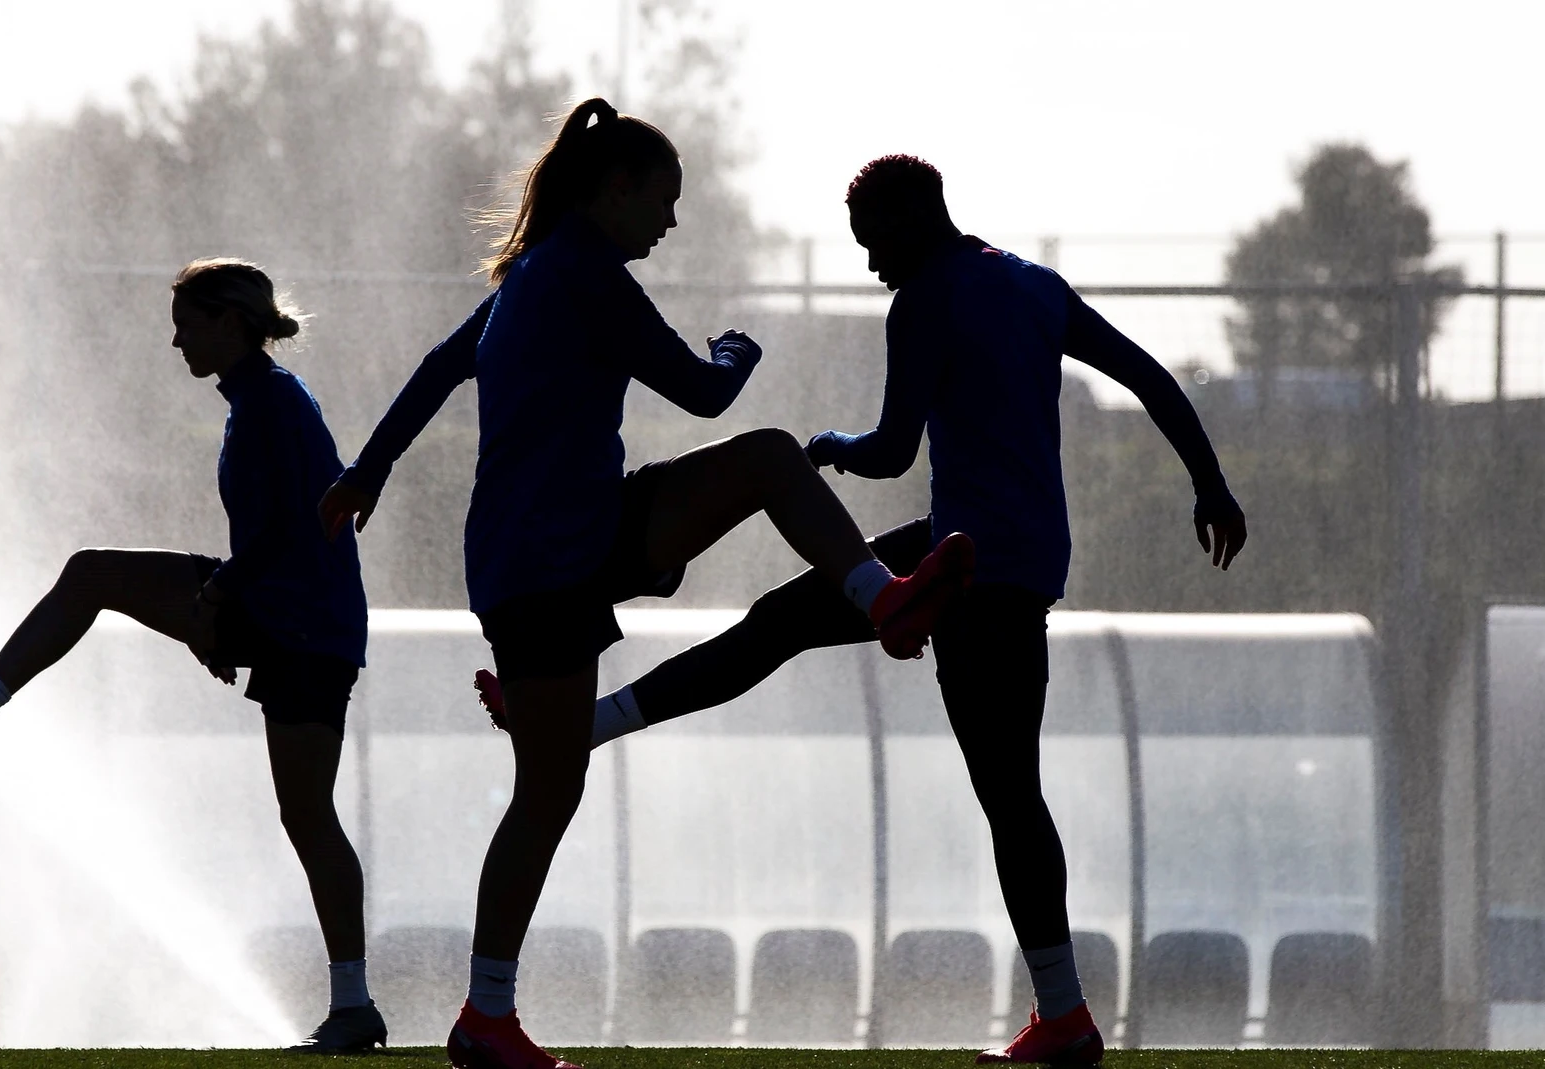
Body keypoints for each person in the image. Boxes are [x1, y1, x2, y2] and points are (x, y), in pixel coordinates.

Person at [473, 155, 1249, 1064]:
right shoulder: (1036, 286)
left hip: (969, 569)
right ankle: (614, 716)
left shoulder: (923, 298)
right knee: (797, 628)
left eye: (876, 243)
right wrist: (1211, 483)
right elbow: (1151, 377)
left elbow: (888, 449)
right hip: (1017, 555)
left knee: (999, 785)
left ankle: (1067, 1017)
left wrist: (829, 447)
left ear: (916, 220)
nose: (874, 264)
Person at [318, 102, 964, 1069]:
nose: (669, 222)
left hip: (567, 535)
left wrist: (369, 469)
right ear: (611, 189)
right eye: (662, 201)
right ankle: (485, 1015)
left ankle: (883, 598)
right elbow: (704, 388)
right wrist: (739, 348)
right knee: (548, 788)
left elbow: (435, 368)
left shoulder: (531, 273)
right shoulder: (583, 273)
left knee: (766, 462)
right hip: (549, 556)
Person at [0, 259, 389, 1054]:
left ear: (228, 322)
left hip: (306, 627)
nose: (175, 339)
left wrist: (214, 606)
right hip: (283, 613)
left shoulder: (272, 402)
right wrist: (219, 610)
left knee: (307, 814)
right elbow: (271, 536)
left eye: (187, 322)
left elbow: (293, 528)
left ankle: (354, 1006)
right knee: (92, 574)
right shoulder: (259, 398)